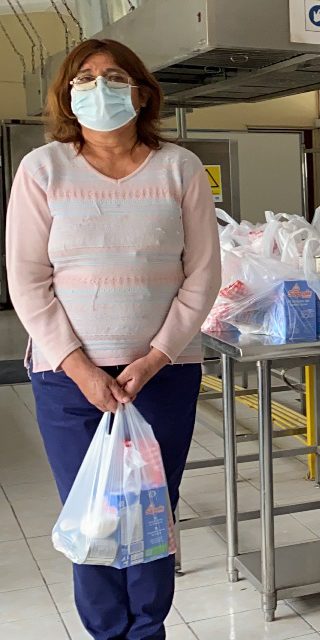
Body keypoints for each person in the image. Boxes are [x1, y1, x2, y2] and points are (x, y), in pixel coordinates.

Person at [6, 39, 220, 639]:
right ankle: (106, 633)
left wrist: (154, 358)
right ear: (67, 95)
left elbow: (203, 275)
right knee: (94, 519)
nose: (99, 86)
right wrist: (79, 367)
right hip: (69, 381)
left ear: (142, 92)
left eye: (114, 75)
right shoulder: (43, 169)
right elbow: (27, 279)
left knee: (152, 516)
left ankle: (148, 630)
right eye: (85, 78)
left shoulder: (179, 168)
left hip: (161, 375)